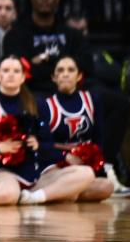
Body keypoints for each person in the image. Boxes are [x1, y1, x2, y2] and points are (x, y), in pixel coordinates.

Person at [0, 55, 94, 205]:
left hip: (35, 173)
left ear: (23, 77)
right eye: (6, 70)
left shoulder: (37, 105)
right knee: (7, 195)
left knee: (86, 173)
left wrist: (39, 145)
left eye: (16, 71)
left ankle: (35, 197)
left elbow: (48, 144)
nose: (10, 74)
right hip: (3, 172)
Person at [39, 55, 114, 202]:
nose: (65, 74)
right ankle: (62, 192)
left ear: (79, 76)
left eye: (71, 70)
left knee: (106, 187)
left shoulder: (93, 100)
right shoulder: (45, 105)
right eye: (60, 70)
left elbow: (99, 139)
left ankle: (62, 195)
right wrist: (65, 157)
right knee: (75, 180)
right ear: (54, 77)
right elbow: (43, 146)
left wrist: (93, 160)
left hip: (83, 165)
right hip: (56, 166)